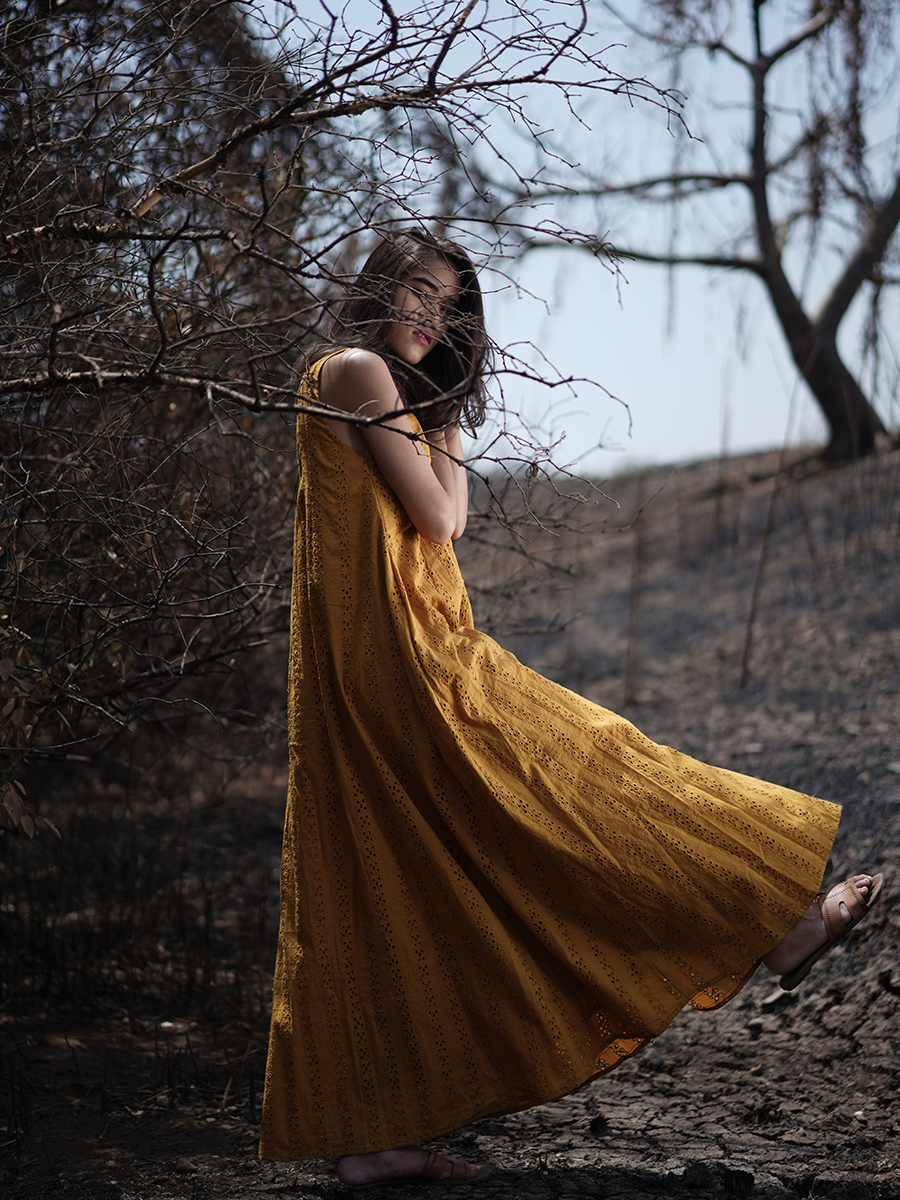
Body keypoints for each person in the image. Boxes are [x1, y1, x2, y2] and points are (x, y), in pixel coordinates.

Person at [258, 228, 884, 1191]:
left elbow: (442, 516)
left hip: (387, 666)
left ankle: (366, 1143)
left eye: (450, 304)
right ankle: (779, 922)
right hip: (413, 668)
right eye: (418, 292)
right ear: (378, 287)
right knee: (595, 775)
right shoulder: (353, 370)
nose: (431, 316)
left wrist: (442, 416)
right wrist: (449, 420)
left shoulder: (386, 393)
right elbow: (441, 518)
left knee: (382, 887)